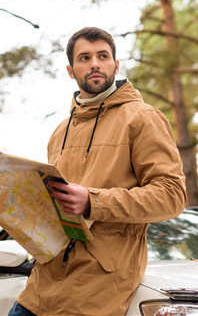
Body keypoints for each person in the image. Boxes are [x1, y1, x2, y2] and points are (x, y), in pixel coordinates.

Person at [10, 27, 187, 315]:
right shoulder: (59, 133)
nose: (95, 63)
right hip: (39, 289)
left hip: (96, 292)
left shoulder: (142, 118)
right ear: (71, 70)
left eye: (103, 56)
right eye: (85, 57)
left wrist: (93, 201)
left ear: (116, 66)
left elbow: (171, 196)